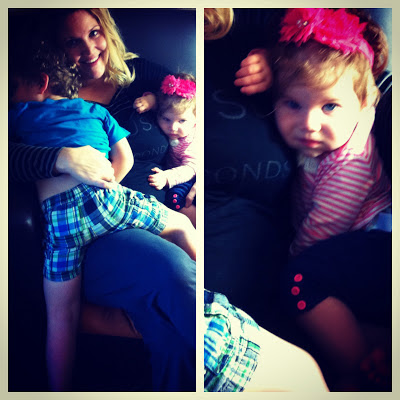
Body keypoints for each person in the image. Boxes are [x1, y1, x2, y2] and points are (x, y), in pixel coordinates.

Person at [8, 8, 196, 392]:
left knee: (63, 317)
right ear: (56, 54)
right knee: (176, 252)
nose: (89, 49)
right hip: (112, 208)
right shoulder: (84, 110)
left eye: (94, 33)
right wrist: (80, 168)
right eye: (72, 41)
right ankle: (224, 332)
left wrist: (193, 172)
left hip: (75, 220)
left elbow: (189, 101)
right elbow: (122, 158)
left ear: (107, 30)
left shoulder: (144, 75)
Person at [203, 8, 329, 393]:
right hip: (202, 299)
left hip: (276, 287)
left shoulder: (258, 24)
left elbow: (348, 59)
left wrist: (280, 62)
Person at [269, 8, 392, 390]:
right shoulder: (324, 138)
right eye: (293, 104)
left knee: (298, 282)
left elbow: (322, 232)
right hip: (351, 252)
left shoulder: (350, 161)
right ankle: (376, 345)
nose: (309, 123)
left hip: (377, 242)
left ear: (363, 106)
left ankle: (357, 372)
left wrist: (288, 261)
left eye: (329, 107)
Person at [134, 73, 197, 225]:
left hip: (191, 176)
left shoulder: (192, 140)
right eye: (166, 119)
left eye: (182, 121)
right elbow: (164, 107)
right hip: (176, 172)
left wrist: (167, 178)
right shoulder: (172, 113)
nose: (173, 127)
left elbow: (191, 168)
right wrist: (151, 101)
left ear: (197, 118)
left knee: (178, 199)